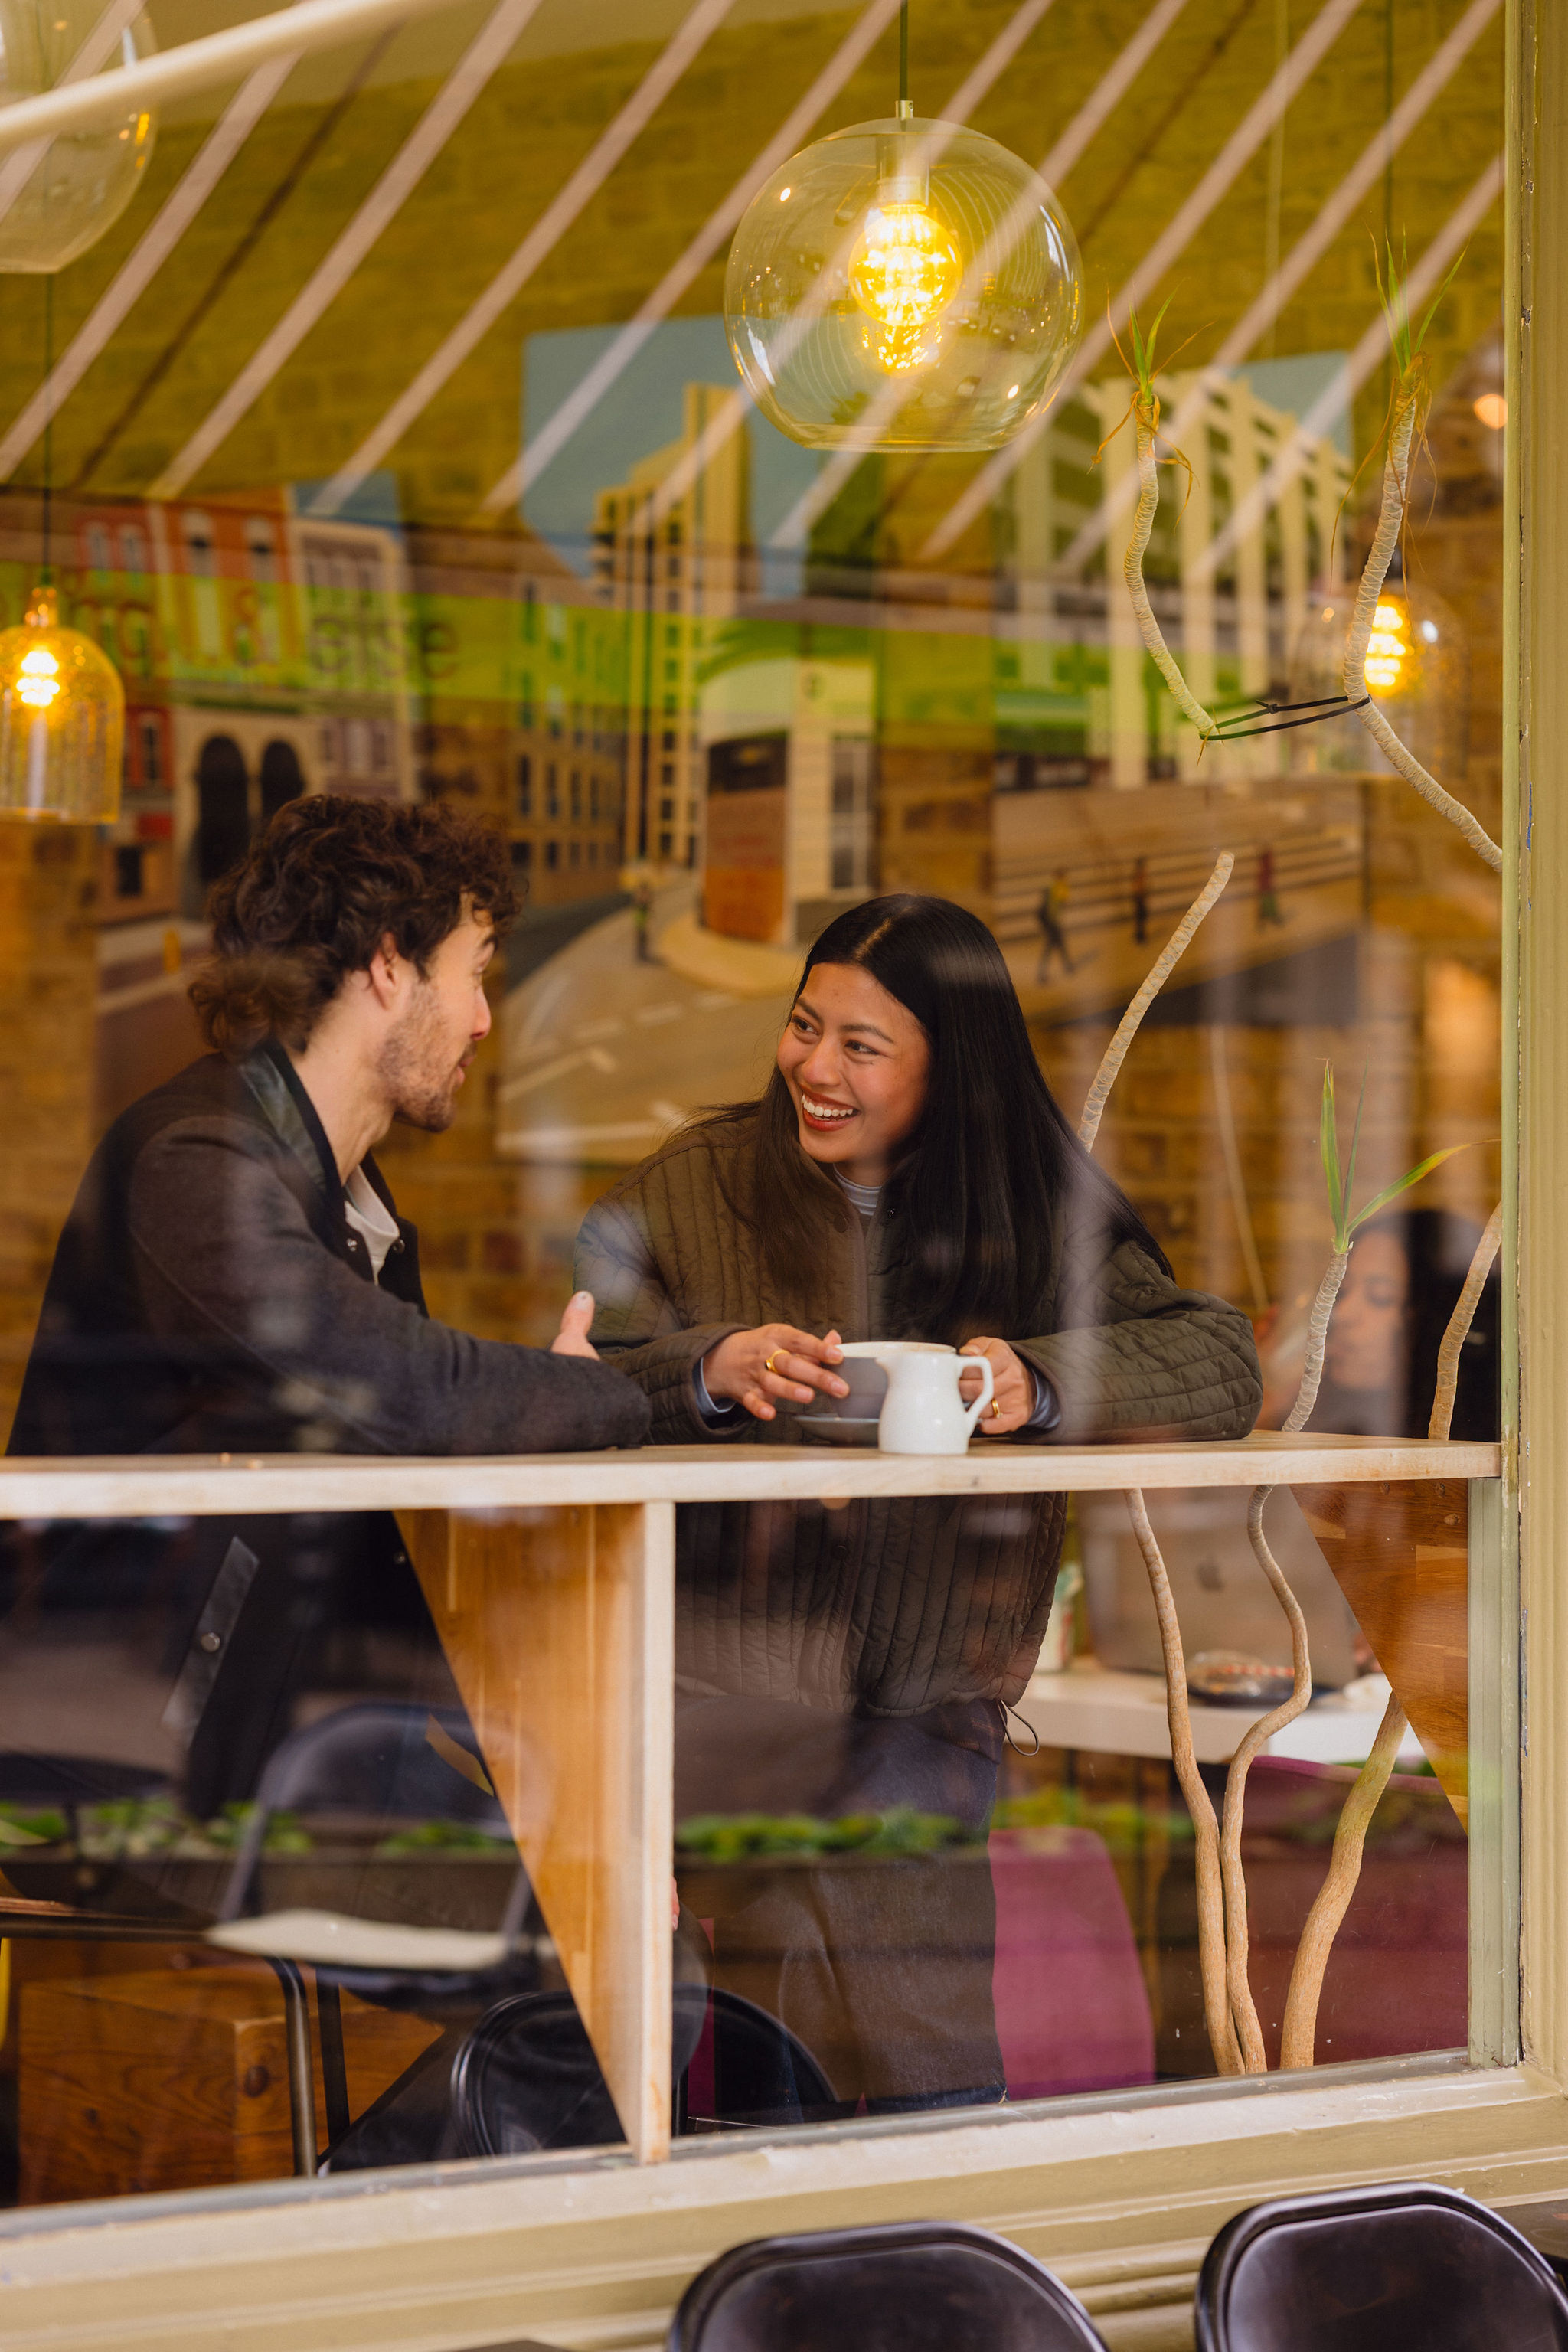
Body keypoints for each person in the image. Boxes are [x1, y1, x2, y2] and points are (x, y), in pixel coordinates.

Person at [576, 894, 1260, 2119]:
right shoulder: (698, 1183)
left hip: (923, 1710)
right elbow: (577, 1376)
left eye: (863, 1046)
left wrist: (1037, 1379)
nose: (814, 1069)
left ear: (951, 1069)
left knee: (911, 2064)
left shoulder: (1027, 1210)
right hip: (717, 1707)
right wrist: (710, 1368)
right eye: (805, 1027)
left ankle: (915, 2234)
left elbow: (1216, 1359)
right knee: (747, 2064)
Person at [9, 794, 648, 1806]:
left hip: (256, 1719)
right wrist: (598, 1397)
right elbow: (413, 1390)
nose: (485, 1019)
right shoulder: (196, 1160)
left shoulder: (343, 1191)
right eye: (474, 975)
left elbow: (395, 1495)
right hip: (109, 1753)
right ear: (389, 966)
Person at [1299, 1207, 1500, 1440]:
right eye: (1341, 1292)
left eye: (1380, 1297)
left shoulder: (1486, 1443)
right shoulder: (1317, 1416)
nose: (1342, 1314)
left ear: (1436, 1321)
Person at [1036, 867, 1074, 977]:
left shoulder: (1051, 887)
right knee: (1052, 947)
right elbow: (1060, 903)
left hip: (1051, 921)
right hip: (1052, 922)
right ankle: (1043, 973)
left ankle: (1067, 966)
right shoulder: (1057, 888)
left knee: (1058, 945)